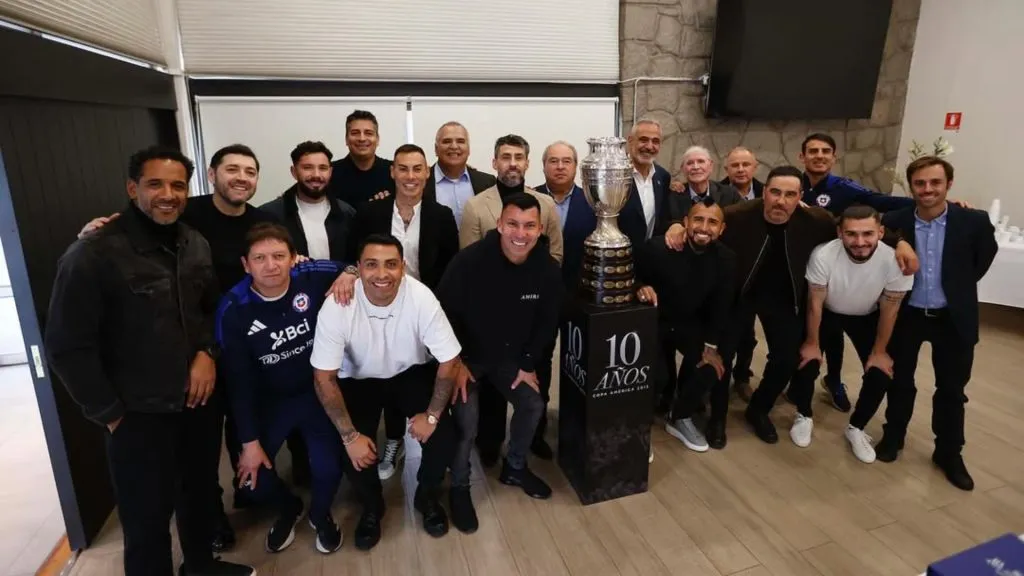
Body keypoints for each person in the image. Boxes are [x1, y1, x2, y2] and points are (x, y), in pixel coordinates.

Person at [45, 145, 254, 576]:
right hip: (137, 413)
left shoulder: (194, 241)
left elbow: (211, 309)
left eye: (177, 185)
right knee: (146, 519)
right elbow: (67, 346)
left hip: (197, 403)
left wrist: (206, 353)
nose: (168, 194)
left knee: (198, 496)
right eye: (155, 184)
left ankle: (199, 567)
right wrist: (110, 414)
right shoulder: (93, 253)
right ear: (132, 187)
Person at [714, 166, 918, 447]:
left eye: (789, 194)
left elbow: (853, 228)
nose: (780, 201)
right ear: (764, 193)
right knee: (723, 354)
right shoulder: (737, 215)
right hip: (740, 296)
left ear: (799, 197)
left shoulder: (815, 219)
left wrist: (901, 243)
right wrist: (677, 226)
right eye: (774, 192)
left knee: (787, 359)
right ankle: (717, 418)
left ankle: (758, 409)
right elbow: (703, 221)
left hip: (784, 298)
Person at [310, 234, 462, 549]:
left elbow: (450, 360)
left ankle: (427, 497)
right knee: (349, 448)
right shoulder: (337, 304)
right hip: (359, 379)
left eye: (391, 265)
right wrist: (350, 436)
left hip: (409, 373)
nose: (382, 274)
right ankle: (371, 506)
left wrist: (432, 417)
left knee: (445, 436)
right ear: (358, 269)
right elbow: (323, 378)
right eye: (371, 265)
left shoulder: (421, 297)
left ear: (403, 268)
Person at [216, 223, 347, 555]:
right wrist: (249, 442)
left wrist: (350, 275)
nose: (271, 266)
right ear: (246, 264)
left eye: (278, 256)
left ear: (293, 258)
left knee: (330, 466)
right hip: (268, 401)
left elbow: (357, 266)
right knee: (251, 480)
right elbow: (238, 380)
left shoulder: (310, 274)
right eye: (260, 258)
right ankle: (289, 508)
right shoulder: (233, 308)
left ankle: (320, 513)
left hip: (316, 391)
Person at [437, 193, 564, 533]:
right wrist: (456, 362)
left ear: (540, 229)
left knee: (533, 404)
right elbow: (442, 318)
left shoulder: (547, 269)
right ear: (499, 224)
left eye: (529, 226)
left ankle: (515, 466)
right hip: (467, 358)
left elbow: (546, 324)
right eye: (513, 224)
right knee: (467, 418)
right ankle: (460, 487)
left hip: (510, 358)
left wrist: (527, 363)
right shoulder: (468, 262)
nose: (520, 234)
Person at [875, 156, 998, 491]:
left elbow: (982, 259)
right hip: (908, 316)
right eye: (920, 183)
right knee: (899, 381)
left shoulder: (973, 221)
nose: (927, 190)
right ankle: (893, 437)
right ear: (911, 186)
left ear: (948, 185)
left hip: (952, 317)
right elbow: (877, 235)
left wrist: (956, 286)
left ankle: (948, 452)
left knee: (952, 390)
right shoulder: (896, 220)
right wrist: (898, 240)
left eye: (935, 183)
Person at [348, 143, 460, 480]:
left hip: (423, 313)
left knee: (415, 380)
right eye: (403, 168)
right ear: (392, 172)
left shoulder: (441, 217)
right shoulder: (370, 213)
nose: (410, 176)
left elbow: (449, 271)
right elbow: (353, 261)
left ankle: (424, 436)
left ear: (427, 173)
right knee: (383, 373)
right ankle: (393, 439)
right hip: (376, 310)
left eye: (417, 169)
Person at [798, 133, 916, 413]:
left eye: (825, 151)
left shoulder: (845, 189)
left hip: (843, 268)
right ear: (802, 157)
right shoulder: (795, 185)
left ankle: (834, 381)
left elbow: (886, 205)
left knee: (836, 332)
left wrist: (902, 238)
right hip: (806, 270)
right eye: (812, 151)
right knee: (814, 332)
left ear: (833, 157)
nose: (819, 155)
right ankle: (804, 384)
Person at [792, 205, 913, 457]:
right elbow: (815, 303)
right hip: (827, 311)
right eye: (851, 234)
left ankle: (856, 427)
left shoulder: (894, 261)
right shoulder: (823, 255)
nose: (860, 242)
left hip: (867, 316)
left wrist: (879, 351)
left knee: (881, 372)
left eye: (867, 234)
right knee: (806, 360)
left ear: (880, 232)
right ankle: (803, 415)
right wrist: (812, 343)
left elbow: (890, 310)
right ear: (840, 233)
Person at [635, 198, 736, 451]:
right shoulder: (658, 248)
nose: (704, 227)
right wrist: (640, 287)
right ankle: (637, 426)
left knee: (714, 367)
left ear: (721, 229)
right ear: (686, 223)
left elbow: (720, 307)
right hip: (654, 322)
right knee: (658, 377)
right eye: (698, 219)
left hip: (690, 324)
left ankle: (679, 416)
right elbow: (632, 276)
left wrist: (711, 347)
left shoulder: (727, 260)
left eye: (712, 222)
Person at [532, 140, 597, 459]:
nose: (560, 166)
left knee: (579, 363)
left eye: (566, 161)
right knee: (540, 363)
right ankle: (536, 428)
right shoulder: (529, 200)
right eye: (553, 160)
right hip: (536, 301)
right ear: (543, 165)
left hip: (578, 297)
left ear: (576, 167)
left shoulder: (594, 201)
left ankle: (575, 422)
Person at [261, 141, 358, 262]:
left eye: (323, 168)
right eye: (307, 168)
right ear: (294, 172)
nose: (316, 175)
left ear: (331, 172)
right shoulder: (270, 215)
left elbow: (356, 259)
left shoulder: (347, 213)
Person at [719, 146, 763, 401]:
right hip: (728, 273)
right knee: (725, 331)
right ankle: (719, 377)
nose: (741, 169)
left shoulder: (771, 191)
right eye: (735, 165)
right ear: (726, 169)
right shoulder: (717, 192)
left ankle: (743, 376)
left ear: (754, 167)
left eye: (746, 164)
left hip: (758, 273)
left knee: (749, 334)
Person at [423, 121, 497, 227]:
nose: (454, 146)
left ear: (468, 148)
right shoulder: (422, 182)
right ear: (436, 149)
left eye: (460, 141)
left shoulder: (488, 182)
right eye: (447, 141)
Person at [325, 109, 396, 207]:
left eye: (368, 133)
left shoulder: (394, 172)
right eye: (355, 133)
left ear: (378, 139)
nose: (362, 138)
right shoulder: (329, 173)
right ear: (346, 139)